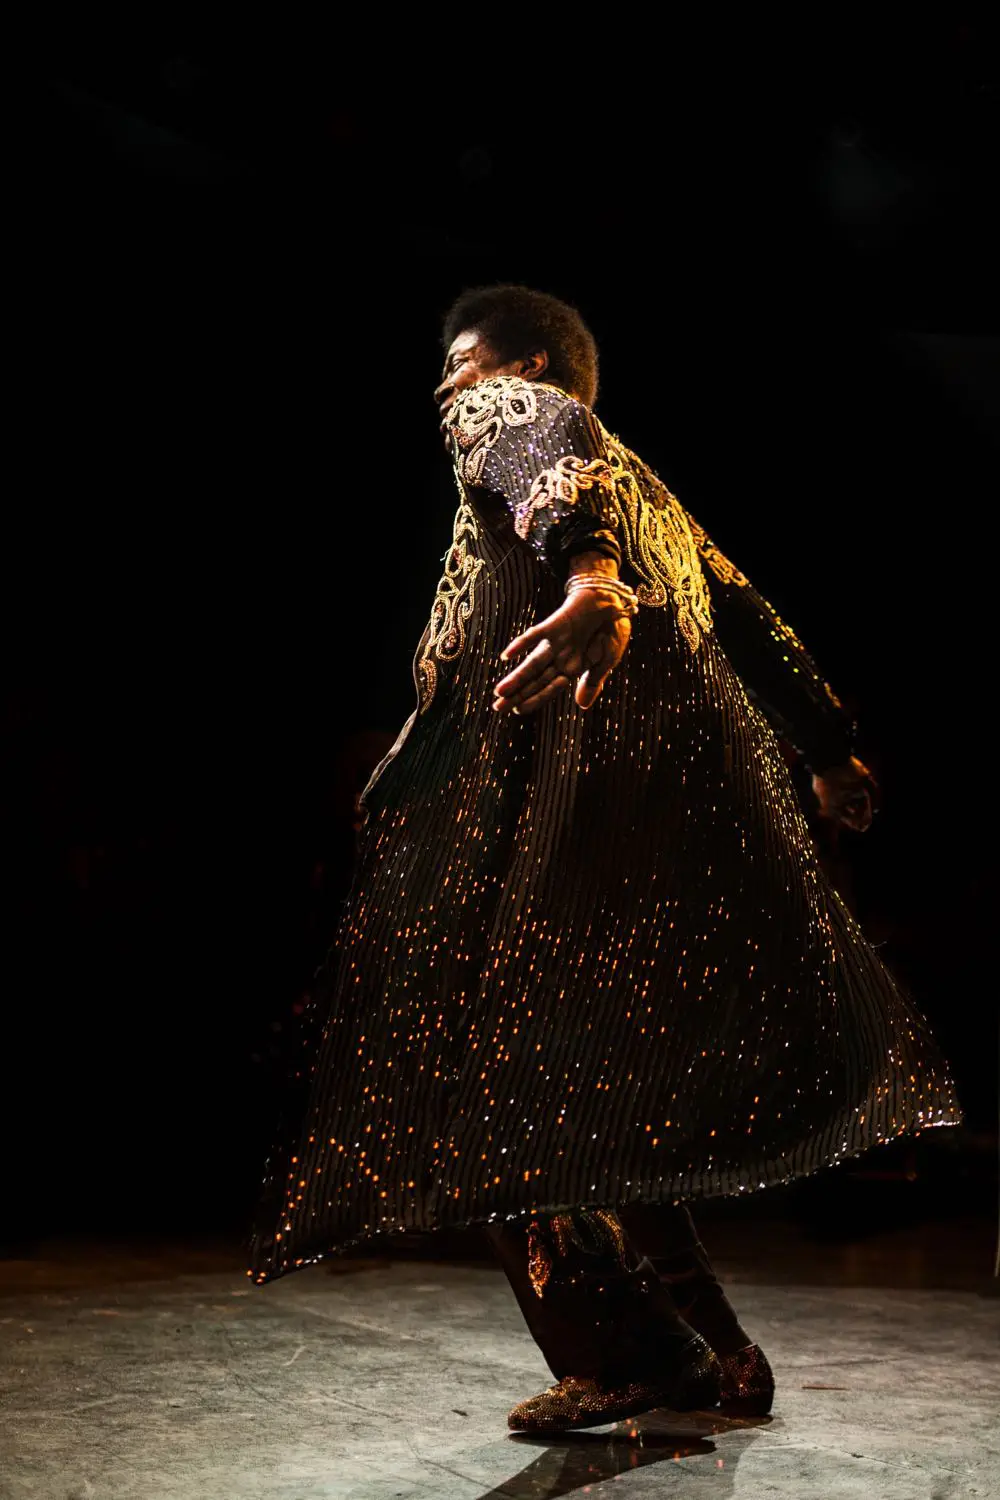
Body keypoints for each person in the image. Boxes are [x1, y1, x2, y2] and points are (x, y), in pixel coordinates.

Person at [250, 286, 959, 1432]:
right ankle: (717, 1352)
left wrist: (589, 574)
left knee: (495, 1098)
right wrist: (828, 750)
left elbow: (535, 447)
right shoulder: (653, 497)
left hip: (558, 834)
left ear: (527, 363)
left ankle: (633, 1356)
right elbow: (751, 620)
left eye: (462, 362)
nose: (449, 387)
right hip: (640, 841)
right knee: (583, 1100)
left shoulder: (517, 412)